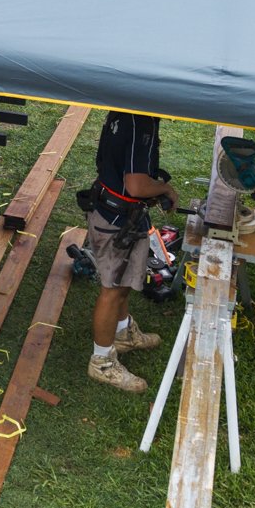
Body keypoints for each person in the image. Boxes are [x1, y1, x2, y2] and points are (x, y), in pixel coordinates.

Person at [81, 110, 175, 393]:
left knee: (121, 285)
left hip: (118, 213)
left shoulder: (127, 108)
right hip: (115, 222)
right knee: (111, 291)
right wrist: (166, 189)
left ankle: (123, 332)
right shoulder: (141, 121)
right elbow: (136, 184)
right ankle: (102, 361)